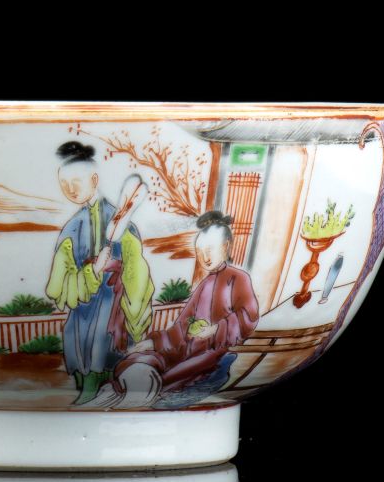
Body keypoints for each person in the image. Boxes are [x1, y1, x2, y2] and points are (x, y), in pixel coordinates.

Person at [110, 211, 259, 405]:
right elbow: (182, 326)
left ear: (225, 246)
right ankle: (136, 378)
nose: (205, 257)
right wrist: (154, 342)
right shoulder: (205, 284)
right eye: (200, 251)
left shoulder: (239, 278)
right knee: (146, 357)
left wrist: (215, 329)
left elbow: (248, 317)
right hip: (188, 346)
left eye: (210, 249)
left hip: (214, 350)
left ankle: (146, 388)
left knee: (178, 372)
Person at [45, 141, 154, 405]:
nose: (70, 190)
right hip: (81, 307)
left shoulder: (120, 221)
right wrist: (92, 270)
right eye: (64, 184)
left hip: (110, 302)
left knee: (102, 344)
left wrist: (134, 312)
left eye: (76, 182)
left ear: (94, 180)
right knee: (76, 344)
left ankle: (99, 393)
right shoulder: (72, 227)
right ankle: (84, 391)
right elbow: (58, 283)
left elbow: (137, 273)